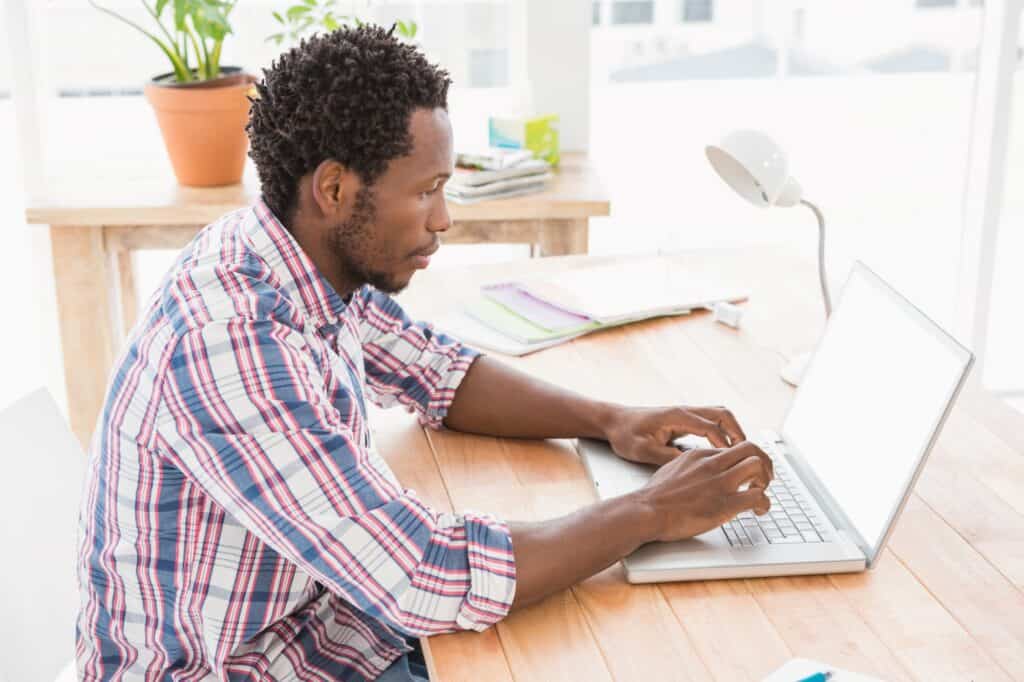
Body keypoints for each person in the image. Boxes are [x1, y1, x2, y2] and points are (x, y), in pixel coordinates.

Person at [75, 25, 773, 681]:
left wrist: (611, 419)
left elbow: (438, 372)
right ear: (335, 188)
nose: (444, 218)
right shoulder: (231, 343)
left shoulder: (298, 261)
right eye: (427, 191)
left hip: (324, 633)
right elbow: (422, 575)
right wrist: (651, 511)